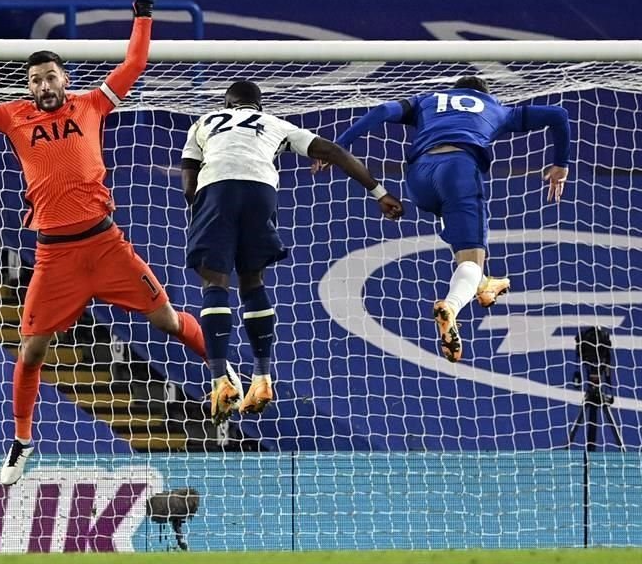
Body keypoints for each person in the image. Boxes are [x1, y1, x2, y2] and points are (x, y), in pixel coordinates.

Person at [0, 0, 241, 485]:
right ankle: (21, 442)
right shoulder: (13, 118)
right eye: (35, 80)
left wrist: (143, 10)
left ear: (66, 80)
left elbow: (134, 62)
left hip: (107, 246)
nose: (43, 85)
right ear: (29, 87)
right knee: (32, 350)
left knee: (170, 322)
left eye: (51, 77)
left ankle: (225, 374)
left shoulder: (92, 104)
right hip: (54, 256)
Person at [181, 80, 404, 422]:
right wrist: (379, 192)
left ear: (226, 103)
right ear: (259, 104)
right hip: (260, 192)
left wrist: (204, 212)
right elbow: (334, 152)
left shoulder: (205, 122)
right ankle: (262, 376)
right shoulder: (276, 124)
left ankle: (220, 379)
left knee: (215, 284)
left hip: (216, 191)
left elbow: (188, 183)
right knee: (253, 281)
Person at [316, 75, 570, 363]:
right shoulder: (498, 109)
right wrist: (560, 164)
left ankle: (483, 283)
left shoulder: (427, 100)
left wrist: (337, 147)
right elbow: (559, 115)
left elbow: (382, 111)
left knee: (459, 239)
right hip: (459, 169)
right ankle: (451, 305)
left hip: (417, 177)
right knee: (471, 258)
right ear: (486, 95)